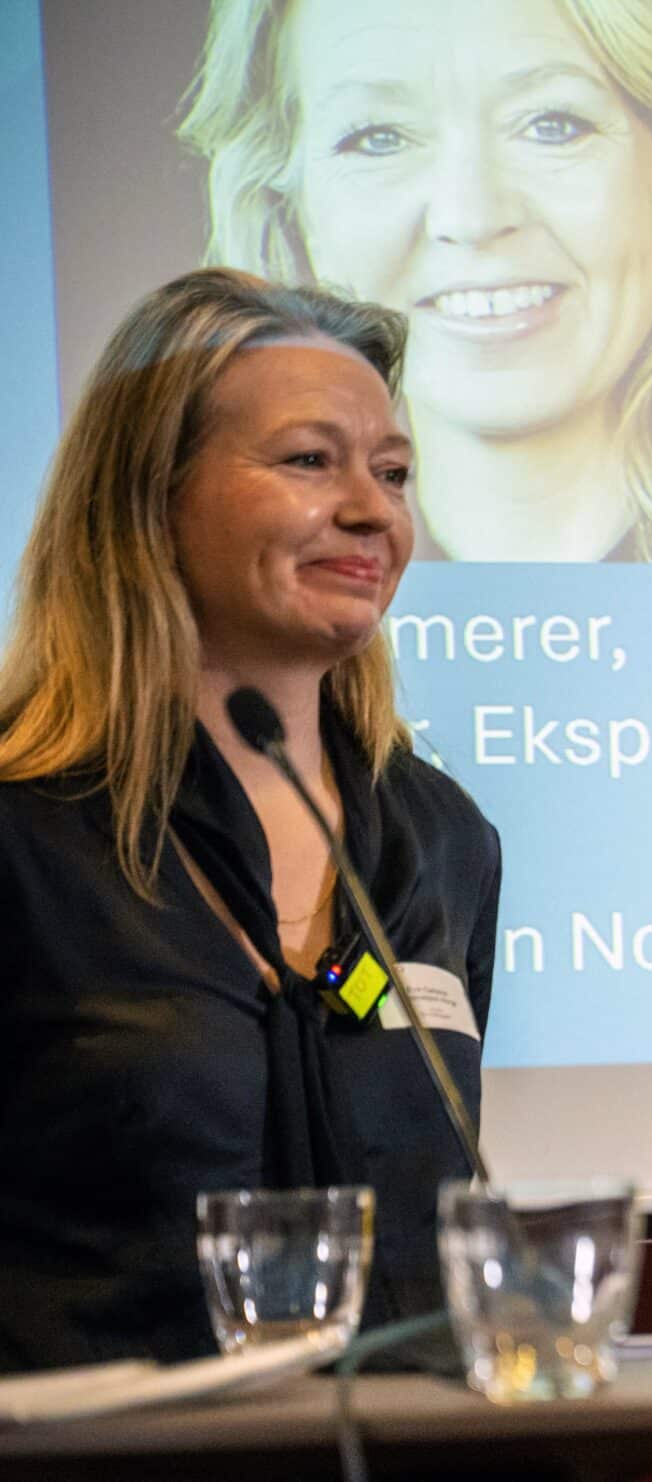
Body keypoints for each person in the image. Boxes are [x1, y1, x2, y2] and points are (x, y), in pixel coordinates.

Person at [0, 269, 500, 1371]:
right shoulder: (24, 833)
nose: (372, 510)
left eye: (393, 472)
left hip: (413, 1439)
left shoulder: (443, 842)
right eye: (310, 460)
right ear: (150, 494)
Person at [177, 0, 652, 564]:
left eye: (552, 125)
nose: (472, 215)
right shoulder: (196, 641)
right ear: (296, 217)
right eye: (379, 137)